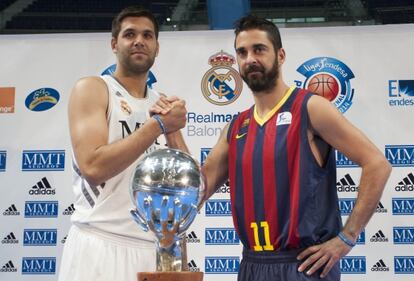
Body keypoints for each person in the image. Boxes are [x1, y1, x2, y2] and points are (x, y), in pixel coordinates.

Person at [201, 15, 392, 281]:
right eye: (242, 52)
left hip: (304, 265)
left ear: (280, 55)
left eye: (259, 49)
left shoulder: (311, 107)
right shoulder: (236, 126)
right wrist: (171, 129)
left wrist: (346, 238)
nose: (250, 59)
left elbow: (377, 164)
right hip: (252, 265)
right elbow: (199, 187)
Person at [58, 6, 188, 281]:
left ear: (157, 47)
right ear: (114, 44)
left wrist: (173, 132)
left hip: (152, 250)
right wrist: (158, 126)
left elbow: (186, 191)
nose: (139, 41)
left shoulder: (162, 104)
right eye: (130, 34)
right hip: (99, 244)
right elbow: (93, 166)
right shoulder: (94, 88)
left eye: (147, 35)